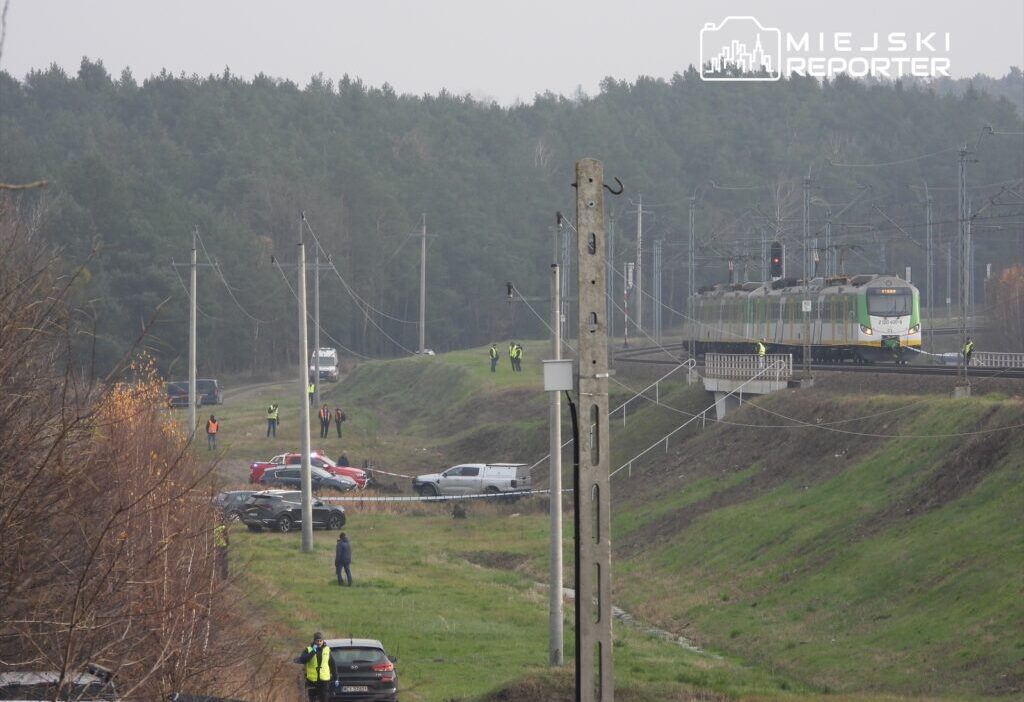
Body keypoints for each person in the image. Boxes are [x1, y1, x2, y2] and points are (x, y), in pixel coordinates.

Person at [296, 632, 333, 702]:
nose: (319, 642)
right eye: (317, 641)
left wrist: (336, 677)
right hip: (312, 680)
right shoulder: (308, 649)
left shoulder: (327, 650)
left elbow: (332, 664)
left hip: (324, 681)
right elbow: (303, 659)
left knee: (324, 699)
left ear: (323, 641)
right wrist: (313, 652)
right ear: (314, 641)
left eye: (320, 641)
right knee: (312, 699)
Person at [213, 516, 229, 580]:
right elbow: (226, 537)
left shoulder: (214, 527)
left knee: (218, 561)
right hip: (223, 545)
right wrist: (228, 543)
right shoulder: (223, 528)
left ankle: (217, 576)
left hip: (217, 545)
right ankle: (224, 576)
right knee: (224, 561)